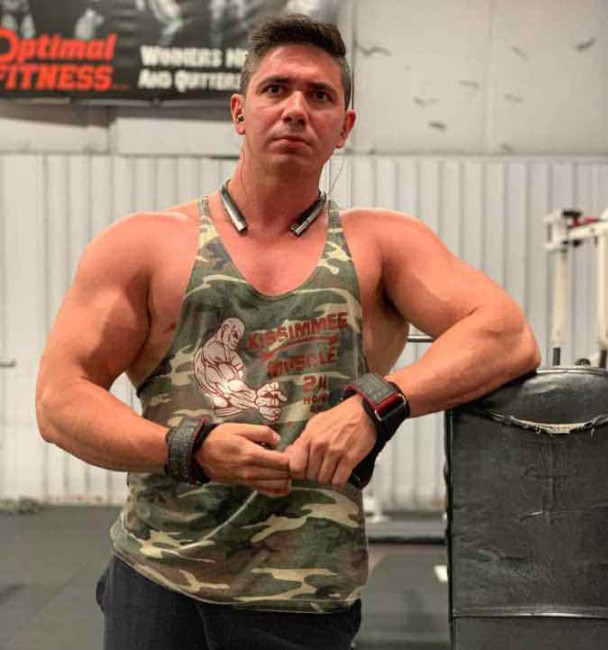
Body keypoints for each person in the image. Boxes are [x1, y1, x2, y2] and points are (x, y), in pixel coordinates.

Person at [35, 13, 540, 650]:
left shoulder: (382, 244)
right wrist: (189, 447)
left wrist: (375, 405)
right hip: (160, 581)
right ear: (239, 112)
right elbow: (59, 400)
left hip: (305, 597)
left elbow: (505, 333)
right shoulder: (145, 245)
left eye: (319, 95)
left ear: (343, 128)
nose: (296, 109)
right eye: (275, 89)